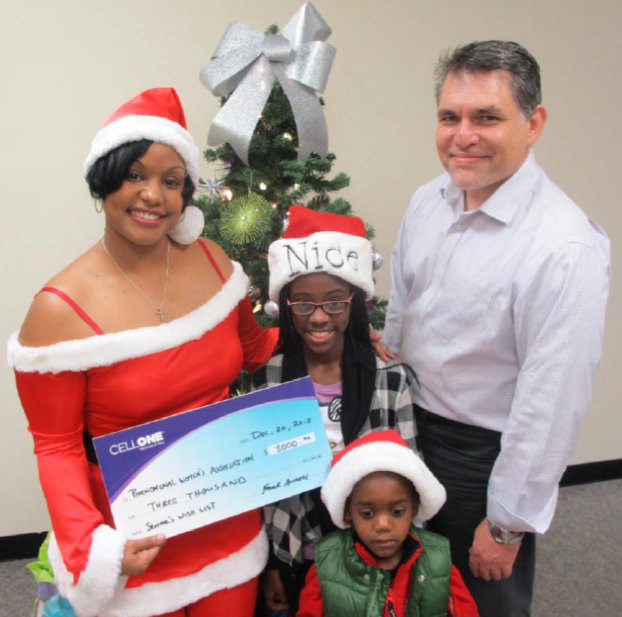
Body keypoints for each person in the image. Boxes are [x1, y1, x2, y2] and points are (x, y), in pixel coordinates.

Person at [8, 88, 279, 617]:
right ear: (104, 181)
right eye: (135, 175)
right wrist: (95, 551)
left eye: (171, 181)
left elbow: (257, 349)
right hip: (131, 543)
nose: (153, 195)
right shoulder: (58, 309)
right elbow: (56, 446)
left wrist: (343, 334)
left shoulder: (214, 262)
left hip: (226, 522)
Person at [383, 40, 610, 617]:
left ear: (533, 124)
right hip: (408, 426)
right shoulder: (428, 201)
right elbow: (403, 313)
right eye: (449, 117)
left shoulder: (564, 247)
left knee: (480, 603)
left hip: (481, 457)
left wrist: (508, 523)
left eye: (486, 117)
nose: (463, 136)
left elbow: (551, 402)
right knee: (408, 593)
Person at [253, 206, 421, 616]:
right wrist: (273, 564)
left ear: (354, 304)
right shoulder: (270, 379)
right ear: (287, 306)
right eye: (303, 304)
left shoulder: (389, 379)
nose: (319, 317)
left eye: (334, 302)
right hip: (298, 548)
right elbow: (266, 486)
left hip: (374, 557)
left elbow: (412, 477)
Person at [296, 429, 479, 617]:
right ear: (348, 512)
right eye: (367, 514)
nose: (383, 525)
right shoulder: (327, 563)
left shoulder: (437, 560)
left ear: (414, 507)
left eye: (397, 512)